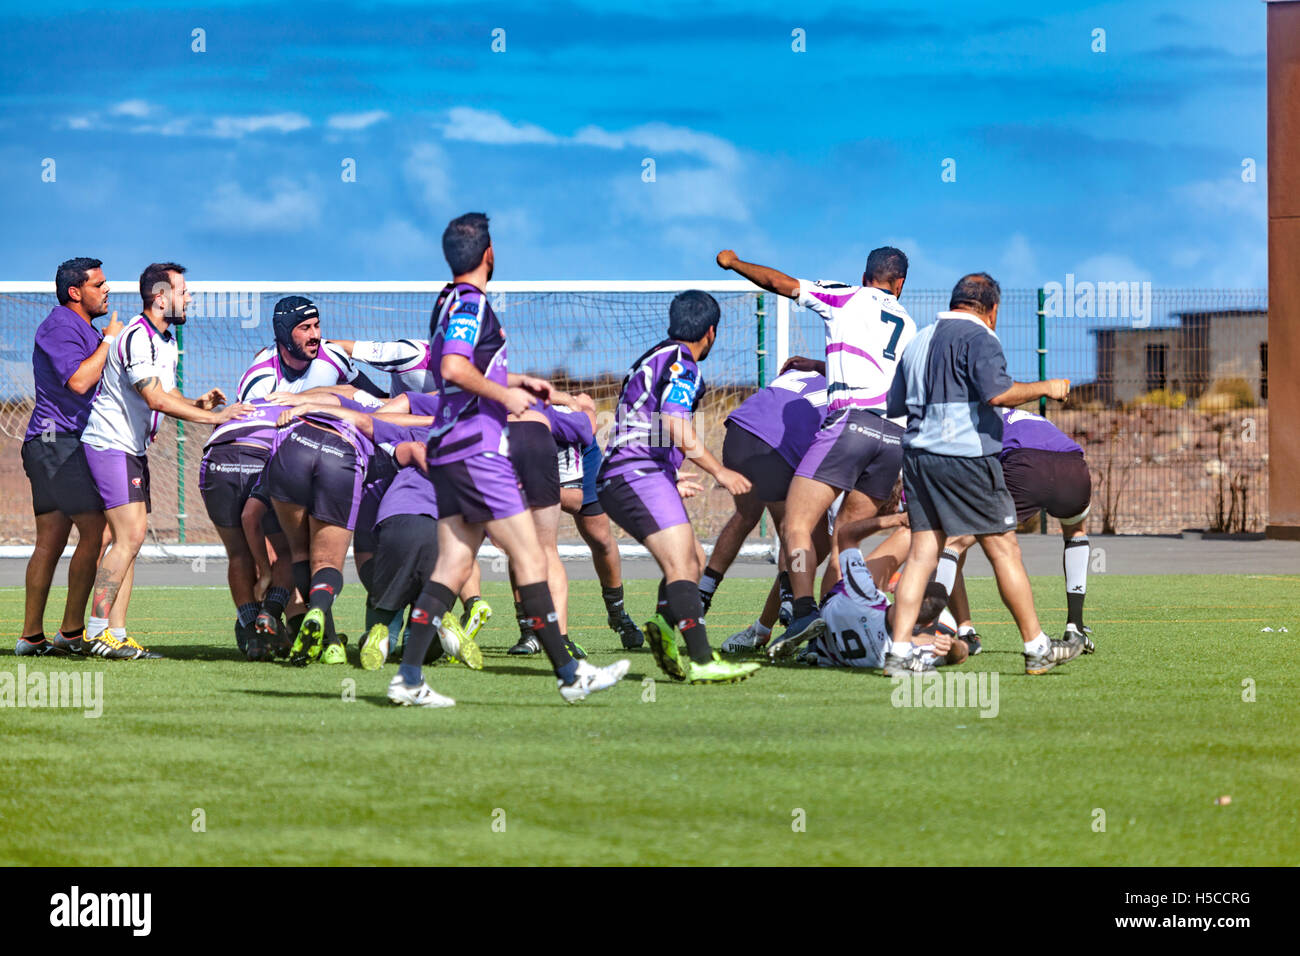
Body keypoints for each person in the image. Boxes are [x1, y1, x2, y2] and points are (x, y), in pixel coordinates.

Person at [390, 212, 629, 706]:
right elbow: (455, 369)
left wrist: (520, 382)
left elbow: (463, 364)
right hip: (478, 451)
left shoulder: (445, 300)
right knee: (531, 556)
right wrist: (506, 399)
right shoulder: (471, 302)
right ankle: (569, 673)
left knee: (453, 564)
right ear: (489, 253)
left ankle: (408, 678)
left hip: (447, 449)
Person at [715, 247, 916, 650]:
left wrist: (736, 263)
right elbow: (885, 375)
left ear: (864, 276)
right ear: (900, 284)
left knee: (796, 524)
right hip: (893, 438)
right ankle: (831, 633)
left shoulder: (847, 296)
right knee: (846, 539)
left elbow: (780, 283)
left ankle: (802, 612)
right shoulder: (909, 325)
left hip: (850, 425)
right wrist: (819, 363)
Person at [883, 272, 1080, 676]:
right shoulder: (981, 339)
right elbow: (998, 393)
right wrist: (1048, 386)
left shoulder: (918, 340)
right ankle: (1036, 646)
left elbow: (896, 403)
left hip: (918, 457)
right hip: (967, 457)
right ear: (992, 309)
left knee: (923, 553)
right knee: (1004, 548)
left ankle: (899, 652)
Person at [80, 262, 254, 659]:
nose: (189, 298)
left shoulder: (167, 340)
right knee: (129, 537)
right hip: (110, 444)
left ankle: (116, 635)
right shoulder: (136, 338)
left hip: (131, 449)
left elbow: (167, 393)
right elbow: (154, 399)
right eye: (183, 291)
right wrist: (216, 418)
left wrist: (197, 403)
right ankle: (95, 632)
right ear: (161, 297)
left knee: (130, 541)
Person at [597, 290, 760, 685]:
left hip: (636, 471)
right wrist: (719, 471)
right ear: (711, 331)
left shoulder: (655, 357)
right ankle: (703, 660)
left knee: (693, 559)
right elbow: (672, 422)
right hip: (633, 472)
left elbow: (643, 421)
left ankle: (663, 628)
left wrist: (668, 476)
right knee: (680, 564)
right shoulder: (682, 363)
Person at [18, 258, 123, 657]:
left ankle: (30, 638)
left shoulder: (83, 328)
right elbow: (80, 380)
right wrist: (110, 340)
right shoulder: (61, 324)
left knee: (52, 539)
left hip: (52, 443)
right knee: (98, 531)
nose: (107, 290)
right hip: (56, 443)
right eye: (99, 284)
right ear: (75, 292)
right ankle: (72, 631)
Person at [933, 406, 1095, 653]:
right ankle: (1076, 627)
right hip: (1075, 467)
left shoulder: (975, 419)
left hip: (1026, 466)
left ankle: (937, 630)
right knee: (1076, 532)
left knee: (952, 543)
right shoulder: (1027, 416)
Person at [699, 359, 829, 648]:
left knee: (746, 514)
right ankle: (795, 606)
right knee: (799, 530)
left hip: (737, 432)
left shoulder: (801, 371)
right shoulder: (852, 394)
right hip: (777, 447)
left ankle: (703, 594)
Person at [237, 296, 386, 403]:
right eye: (305, 328)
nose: (315, 335)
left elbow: (378, 399)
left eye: (317, 325)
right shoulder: (260, 377)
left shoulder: (332, 354)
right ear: (284, 333)